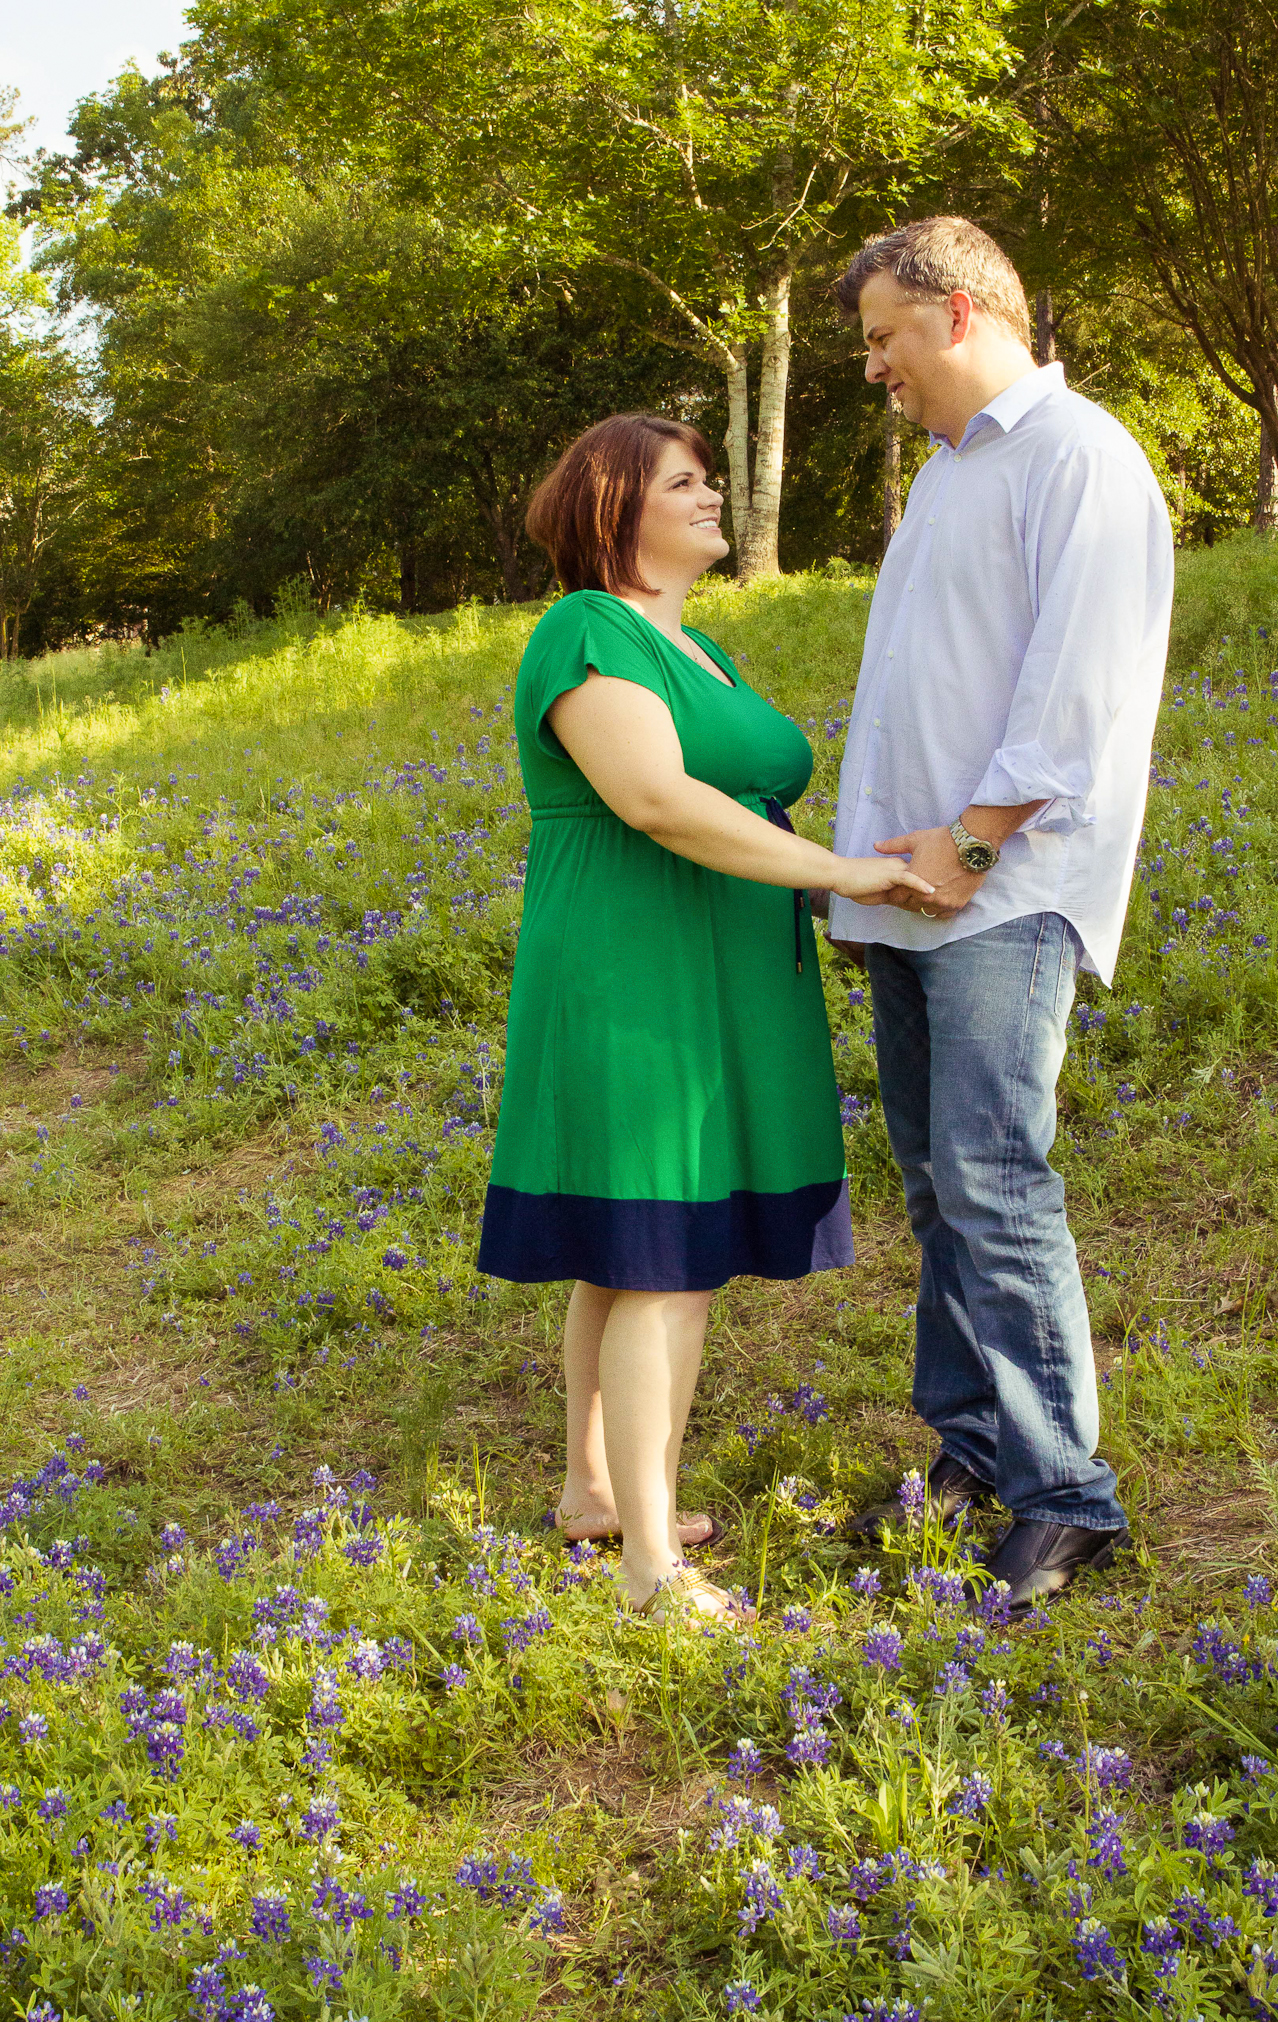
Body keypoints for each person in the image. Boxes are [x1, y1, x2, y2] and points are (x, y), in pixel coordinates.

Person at [476, 413, 930, 1623]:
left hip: (714, 966)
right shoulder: (587, 628)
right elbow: (653, 797)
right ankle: (650, 1574)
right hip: (637, 968)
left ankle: (596, 1491)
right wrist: (836, 871)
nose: (712, 495)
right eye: (685, 481)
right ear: (615, 510)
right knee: (662, 1260)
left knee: (628, 1251)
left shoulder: (698, 643)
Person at [829, 218, 1174, 1612]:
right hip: (914, 894)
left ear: (958, 314)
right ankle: (972, 1447)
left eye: (882, 340)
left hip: (1001, 889)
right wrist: (872, 872)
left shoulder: (1077, 454)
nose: (874, 371)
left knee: (991, 1177)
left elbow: (1077, 689)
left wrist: (971, 845)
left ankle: (1063, 1495)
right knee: (934, 1185)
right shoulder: (945, 477)